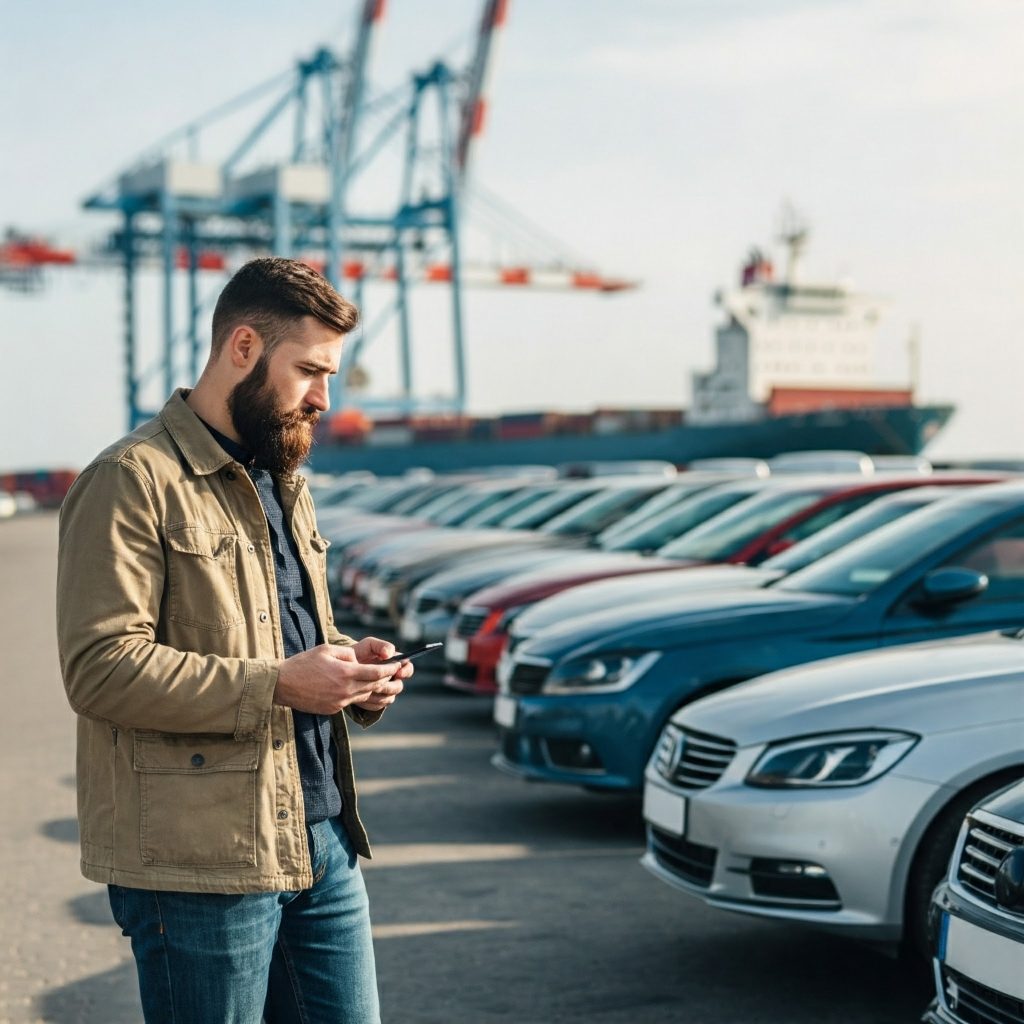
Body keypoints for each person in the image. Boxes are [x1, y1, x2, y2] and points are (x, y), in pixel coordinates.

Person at [56, 257, 413, 1023]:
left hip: (320, 840)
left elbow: (279, 631)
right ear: (243, 348)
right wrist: (281, 684)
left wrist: (355, 669)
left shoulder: (282, 478)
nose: (325, 397)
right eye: (310, 371)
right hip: (200, 867)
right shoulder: (131, 478)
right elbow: (99, 668)